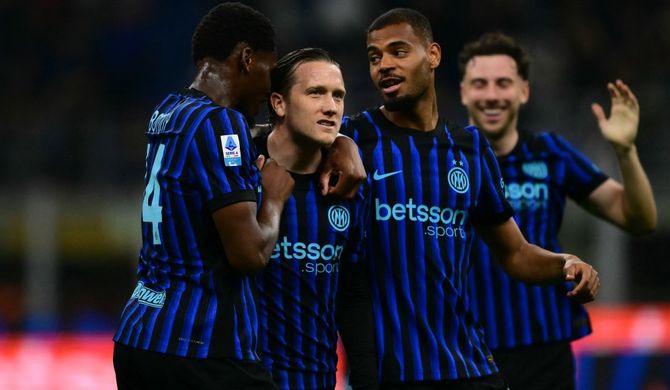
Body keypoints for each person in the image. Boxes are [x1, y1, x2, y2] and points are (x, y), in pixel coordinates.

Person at [338, 8, 600, 389]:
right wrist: (339, 141)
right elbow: (287, 138)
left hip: (469, 366)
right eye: (375, 57)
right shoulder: (352, 139)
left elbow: (514, 252)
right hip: (389, 373)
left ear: (433, 56)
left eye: (398, 51)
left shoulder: (470, 149)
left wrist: (565, 263)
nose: (384, 66)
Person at [112, 3, 365, 389]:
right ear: (247, 59)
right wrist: (276, 198)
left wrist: (342, 138)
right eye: (268, 70)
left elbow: (230, 144)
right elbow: (249, 254)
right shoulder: (221, 122)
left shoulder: (167, 113)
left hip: (139, 333)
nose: (267, 91)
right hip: (199, 344)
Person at [458, 32, 657, 389]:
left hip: (545, 354)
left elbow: (638, 218)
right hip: (466, 352)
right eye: (479, 84)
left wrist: (625, 151)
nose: (491, 95)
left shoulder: (550, 153)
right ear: (463, 92)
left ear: (523, 91)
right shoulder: (443, 160)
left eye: (503, 83)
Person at [252, 47, 377, 390]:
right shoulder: (240, 169)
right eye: (315, 93)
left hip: (318, 379)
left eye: (338, 96)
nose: (331, 106)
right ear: (278, 103)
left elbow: (352, 292)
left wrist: (367, 378)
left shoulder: (350, 184)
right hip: (242, 376)